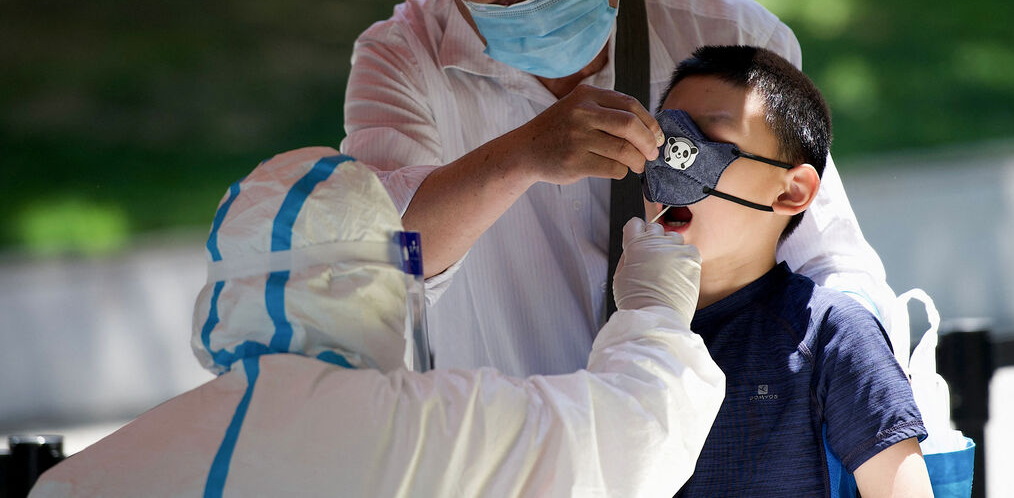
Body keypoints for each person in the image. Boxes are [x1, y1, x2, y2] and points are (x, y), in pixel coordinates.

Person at [342, 0, 895, 377]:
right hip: (510, 450)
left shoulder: (726, 34)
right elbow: (386, 261)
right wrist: (522, 156)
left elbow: (823, 257)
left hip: (711, 450)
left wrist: (861, 400)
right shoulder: (402, 57)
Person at [30, 147, 724, 498]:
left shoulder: (87, 477)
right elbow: (636, 432)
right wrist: (654, 305)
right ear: (375, 285)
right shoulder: (431, 430)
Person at [640, 45, 931, 498]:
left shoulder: (833, 335)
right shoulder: (630, 334)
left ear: (791, 191)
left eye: (705, 146)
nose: (673, 165)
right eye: (664, 141)